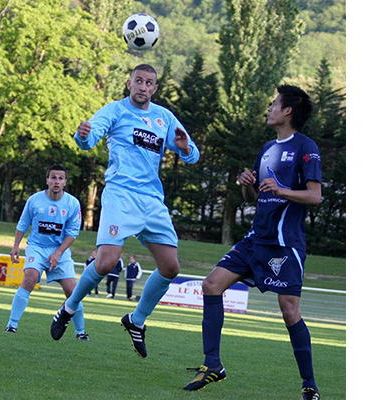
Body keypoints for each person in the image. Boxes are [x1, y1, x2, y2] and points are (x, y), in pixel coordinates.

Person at [49, 64, 199, 358]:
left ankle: (137, 320)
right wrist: (83, 135)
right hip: (120, 195)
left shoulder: (164, 117)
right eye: (138, 81)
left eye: (149, 83)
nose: (143, 86)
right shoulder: (114, 111)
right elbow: (88, 141)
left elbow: (192, 155)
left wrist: (184, 148)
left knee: (171, 268)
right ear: (129, 83)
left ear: (155, 89)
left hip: (152, 201)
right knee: (106, 262)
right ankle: (69, 308)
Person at [183, 85, 322, 400]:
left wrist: (283, 189)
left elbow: (314, 196)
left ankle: (309, 385)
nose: (270, 107)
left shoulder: (306, 147)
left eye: (274, 103)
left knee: (289, 310)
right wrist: (248, 185)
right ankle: (213, 364)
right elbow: (255, 196)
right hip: (255, 239)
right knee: (211, 284)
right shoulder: (266, 149)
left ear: (288, 111)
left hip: (284, 244)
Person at [6, 165, 89, 340]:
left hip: (60, 251)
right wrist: (15, 246)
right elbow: (22, 224)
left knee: (73, 291)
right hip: (36, 247)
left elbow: (72, 233)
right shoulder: (35, 200)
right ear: (47, 180)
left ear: (65, 182)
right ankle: (12, 325)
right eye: (53, 177)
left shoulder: (72, 203)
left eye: (60, 178)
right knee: (29, 278)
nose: (56, 181)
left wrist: (58, 253)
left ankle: (80, 332)